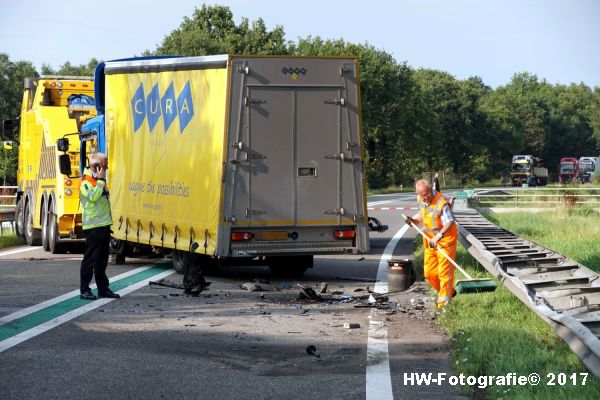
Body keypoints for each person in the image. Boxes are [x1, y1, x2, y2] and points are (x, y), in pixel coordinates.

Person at [405, 179, 458, 308]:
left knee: (444, 273)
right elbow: (423, 214)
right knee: (429, 274)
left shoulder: (441, 202)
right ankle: (449, 292)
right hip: (430, 241)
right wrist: (414, 220)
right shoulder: (421, 199)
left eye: (427, 195)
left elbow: (449, 221)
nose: (425, 199)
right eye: (422, 196)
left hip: (445, 241)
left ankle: (443, 306)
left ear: (431, 190)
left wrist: (439, 236)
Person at [79, 153, 120, 300]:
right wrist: (101, 181)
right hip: (93, 227)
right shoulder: (86, 181)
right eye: (104, 165)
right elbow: (94, 197)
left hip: (103, 226)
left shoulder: (98, 180)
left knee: (102, 260)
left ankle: (103, 289)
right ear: (97, 167)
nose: (106, 167)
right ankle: (84, 290)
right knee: (90, 259)